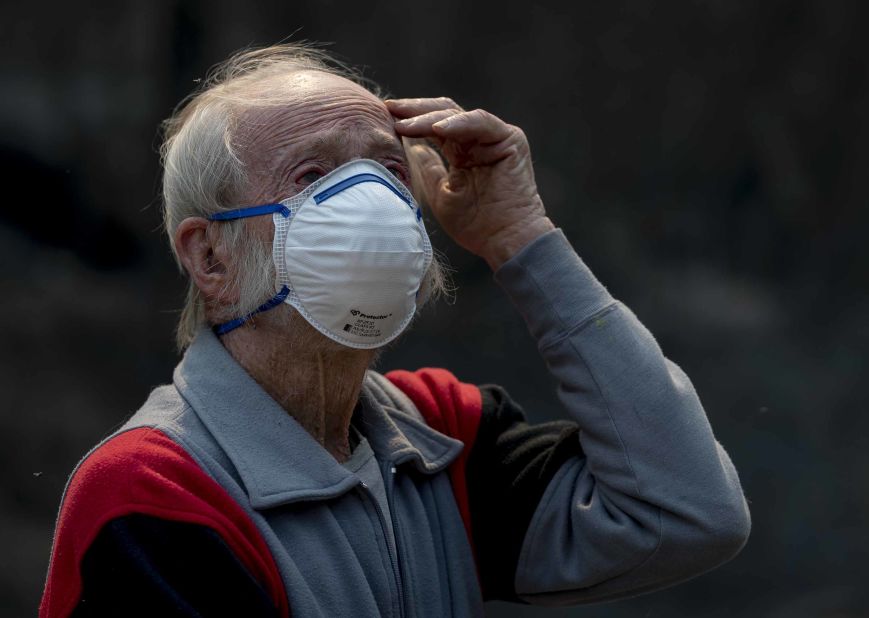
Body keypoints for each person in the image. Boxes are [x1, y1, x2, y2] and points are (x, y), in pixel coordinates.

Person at [40, 44, 751, 617]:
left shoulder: (440, 439)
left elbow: (686, 513)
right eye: (312, 172)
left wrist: (519, 236)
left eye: (385, 169)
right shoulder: (153, 491)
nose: (369, 202)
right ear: (209, 255)